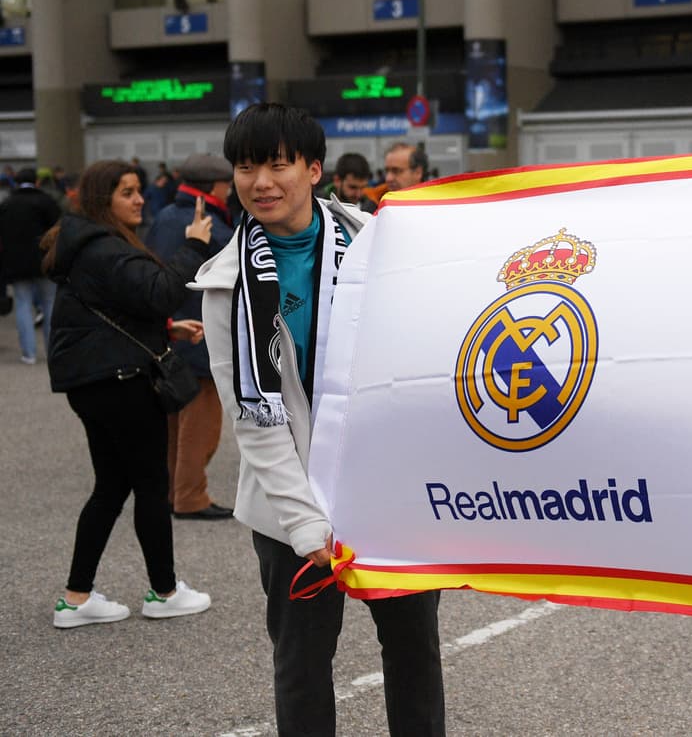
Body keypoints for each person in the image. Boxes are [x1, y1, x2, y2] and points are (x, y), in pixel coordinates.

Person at [193, 104, 445, 736]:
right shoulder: (228, 285)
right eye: (246, 167)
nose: (260, 182)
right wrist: (309, 528)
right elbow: (255, 422)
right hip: (288, 511)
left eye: (277, 164)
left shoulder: (375, 241)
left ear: (313, 169)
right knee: (303, 665)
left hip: (385, 496)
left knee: (414, 651)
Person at [42, 159, 215, 628]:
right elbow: (160, 290)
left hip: (96, 380)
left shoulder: (90, 245)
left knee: (112, 486)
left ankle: (77, 598)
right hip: (119, 381)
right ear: (104, 200)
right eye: (127, 192)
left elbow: (119, 306)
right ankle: (165, 591)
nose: (139, 199)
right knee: (151, 487)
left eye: (139, 190)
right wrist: (193, 247)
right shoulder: (104, 247)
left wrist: (165, 329)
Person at [145, 154, 237, 520]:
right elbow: (236, 254)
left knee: (175, 422)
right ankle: (191, 496)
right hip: (199, 332)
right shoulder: (205, 221)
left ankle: (172, 492)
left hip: (170, 330)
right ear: (215, 186)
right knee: (203, 425)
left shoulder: (166, 216)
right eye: (227, 184)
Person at [0, 167, 62, 364]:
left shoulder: (8, 203)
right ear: (36, 182)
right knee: (50, 304)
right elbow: (59, 231)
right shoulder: (47, 202)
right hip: (45, 262)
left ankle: (29, 353)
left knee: (23, 304)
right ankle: (53, 352)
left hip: (16, 264)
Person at [363, 141, 428, 211]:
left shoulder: (435, 206)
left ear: (418, 172)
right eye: (387, 171)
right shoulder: (373, 206)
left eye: (396, 171)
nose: (388, 178)